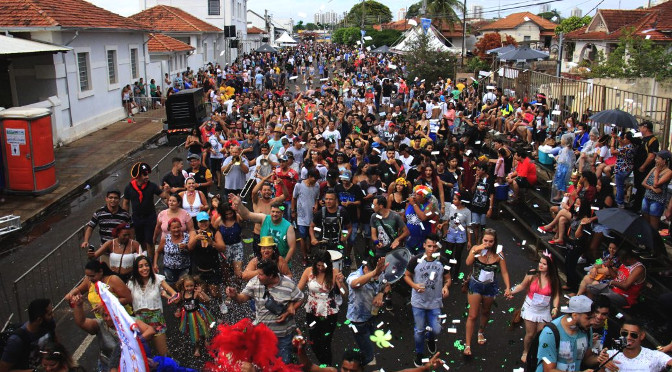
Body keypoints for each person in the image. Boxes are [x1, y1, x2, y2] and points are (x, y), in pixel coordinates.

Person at [226, 259, 305, 364]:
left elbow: (300, 298)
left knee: (283, 365)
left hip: (283, 337)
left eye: (261, 274)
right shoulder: (255, 281)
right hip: (262, 336)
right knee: (263, 365)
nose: (257, 276)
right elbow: (242, 298)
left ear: (271, 275)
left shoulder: (288, 284)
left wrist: (289, 311)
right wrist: (235, 295)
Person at [404, 234, 451, 367]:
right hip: (418, 302)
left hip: (435, 302)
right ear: (424, 245)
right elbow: (406, 276)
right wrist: (414, 285)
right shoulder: (415, 260)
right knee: (419, 330)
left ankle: (430, 338)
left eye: (435, 246)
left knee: (436, 329)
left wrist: (446, 287)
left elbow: (448, 278)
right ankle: (419, 353)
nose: (432, 249)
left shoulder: (443, 261)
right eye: (429, 246)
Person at [463, 228, 511, 356]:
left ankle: (481, 332)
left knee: (485, 311)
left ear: (495, 242)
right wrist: (476, 250)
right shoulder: (476, 249)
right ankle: (467, 344)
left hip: (490, 286)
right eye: (486, 240)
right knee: (472, 315)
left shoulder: (499, 253)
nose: (488, 244)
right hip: (475, 285)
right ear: (481, 239)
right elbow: (468, 262)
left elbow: (504, 271)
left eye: (491, 241)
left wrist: (508, 287)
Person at [507, 254, 561, 363]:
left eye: (544, 264)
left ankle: (538, 352)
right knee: (530, 334)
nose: (540, 265)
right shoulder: (532, 274)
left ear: (550, 266)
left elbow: (556, 295)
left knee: (541, 333)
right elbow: (522, 286)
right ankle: (526, 351)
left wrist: (555, 307)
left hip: (544, 309)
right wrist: (510, 291)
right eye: (540, 262)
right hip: (530, 307)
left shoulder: (554, 279)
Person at [297, 250, 345, 365]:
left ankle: (327, 366)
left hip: (329, 313)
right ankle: (325, 365)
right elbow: (298, 291)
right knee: (314, 341)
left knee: (325, 342)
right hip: (312, 311)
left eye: (322, 265)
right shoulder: (308, 271)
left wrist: (341, 283)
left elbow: (344, 293)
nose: (320, 268)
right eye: (318, 265)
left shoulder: (334, 272)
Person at [126, 256, 177, 357]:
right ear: (136, 269)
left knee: (164, 353)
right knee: (143, 355)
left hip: (156, 319)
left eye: (146, 265)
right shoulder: (131, 283)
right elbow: (124, 298)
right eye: (140, 266)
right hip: (140, 321)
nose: (144, 268)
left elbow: (173, 293)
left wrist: (172, 297)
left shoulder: (158, 279)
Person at [535, 295, 598, 372]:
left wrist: (600, 359)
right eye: (588, 318)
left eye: (593, 317)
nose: (592, 322)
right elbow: (549, 370)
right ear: (574, 315)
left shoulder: (587, 329)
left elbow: (587, 359)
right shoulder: (550, 333)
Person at [346, 257, 389, 366]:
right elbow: (354, 284)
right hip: (358, 321)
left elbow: (386, 284)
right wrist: (375, 272)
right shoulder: (354, 276)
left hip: (372, 316)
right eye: (375, 274)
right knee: (368, 354)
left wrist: (381, 294)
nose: (377, 277)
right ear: (366, 269)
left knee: (369, 339)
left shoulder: (380, 274)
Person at [122, 162, 170, 258]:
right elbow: (126, 202)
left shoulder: (152, 186)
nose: (147, 177)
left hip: (150, 217)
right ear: (138, 176)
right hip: (136, 218)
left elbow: (164, 196)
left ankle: (151, 261)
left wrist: (167, 191)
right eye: (144, 174)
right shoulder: (129, 187)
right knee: (140, 240)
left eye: (147, 174)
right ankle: (144, 258)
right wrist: (125, 218)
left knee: (150, 241)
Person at [233, 194, 296, 262]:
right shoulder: (264, 218)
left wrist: (284, 263)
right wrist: (239, 204)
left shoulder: (288, 226)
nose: (275, 214)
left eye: (278, 212)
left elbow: (292, 247)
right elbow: (247, 215)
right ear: (270, 211)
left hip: (281, 259)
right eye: (273, 211)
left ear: (282, 213)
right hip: (264, 259)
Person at [0, 299, 56, 372]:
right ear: (39, 320)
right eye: (49, 314)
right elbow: (3, 370)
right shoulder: (16, 341)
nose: (53, 315)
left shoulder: (49, 324)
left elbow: (55, 343)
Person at [597, 318, 672, 371]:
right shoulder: (609, 355)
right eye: (625, 333)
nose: (628, 337)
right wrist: (602, 365)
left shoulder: (655, 356)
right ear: (620, 332)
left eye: (633, 335)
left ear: (642, 336)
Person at [65, 261, 132, 318]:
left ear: (101, 272)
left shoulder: (113, 280)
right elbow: (79, 290)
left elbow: (128, 298)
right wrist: (72, 294)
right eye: (87, 276)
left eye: (92, 276)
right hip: (103, 321)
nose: (90, 279)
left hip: (122, 319)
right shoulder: (89, 281)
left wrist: (105, 304)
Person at [81, 190, 131, 260]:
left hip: (121, 252)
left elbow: (130, 230)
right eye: (110, 197)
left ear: (119, 200)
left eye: (115, 198)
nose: (113, 200)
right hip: (105, 252)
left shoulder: (125, 215)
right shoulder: (99, 213)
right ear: (106, 199)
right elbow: (90, 227)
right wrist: (86, 241)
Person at [174, 275, 215, 357]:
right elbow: (179, 303)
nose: (189, 288)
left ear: (194, 285)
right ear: (183, 286)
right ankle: (197, 348)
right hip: (189, 315)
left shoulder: (196, 293)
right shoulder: (182, 293)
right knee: (194, 331)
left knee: (203, 328)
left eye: (191, 286)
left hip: (198, 313)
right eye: (187, 286)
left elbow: (208, 299)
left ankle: (205, 339)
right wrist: (178, 310)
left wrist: (201, 292)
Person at [438, 192, 471, 277]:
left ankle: (456, 274)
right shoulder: (452, 208)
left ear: (461, 201)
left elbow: (468, 227)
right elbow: (449, 220)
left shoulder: (467, 212)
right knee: (448, 253)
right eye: (453, 199)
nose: (453, 201)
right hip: (451, 233)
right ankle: (448, 272)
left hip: (461, 235)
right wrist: (443, 224)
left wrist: (469, 241)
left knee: (458, 255)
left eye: (455, 199)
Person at [153, 218, 194, 286]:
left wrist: (186, 247)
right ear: (169, 229)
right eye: (174, 228)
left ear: (181, 227)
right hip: (169, 268)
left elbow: (191, 250)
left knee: (184, 286)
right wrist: (155, 264)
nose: (176, 229)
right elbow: (158, 252)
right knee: (171, 286)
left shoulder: (187, 237)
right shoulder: (166, 239)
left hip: (184, 268)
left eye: (178, 227)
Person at [292, 169, 321, 264]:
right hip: (301, 216)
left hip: (312, 215)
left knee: (311, 235)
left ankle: (309, 250)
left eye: (317, 179)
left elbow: (317, 198)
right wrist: (293, 211)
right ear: (309, 176)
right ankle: (304, 256)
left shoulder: (317, 186)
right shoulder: (299, 185)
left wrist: (316, 205)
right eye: (314, 178)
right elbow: (294, 198)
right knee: (303, 237)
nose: (315, 180)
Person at [310, 189, 352, 253]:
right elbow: (311, 226)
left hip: (338, 245)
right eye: (326, 199)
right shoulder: (320, 213)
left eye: (331, 199)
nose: (328, 201)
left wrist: (345, 236)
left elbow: (349, 227)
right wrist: (313, 238)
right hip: (323, 245)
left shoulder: (343, 212)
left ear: (336, 200)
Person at [641, 150, 672, 233]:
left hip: (657, 201)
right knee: (645, 223)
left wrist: (657, 171)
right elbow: (644, 182)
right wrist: (652, 189)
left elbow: (656, 184)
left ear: (664, 161)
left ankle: (653, 244)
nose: (656, 160)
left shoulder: (668, 172)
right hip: (647, 197)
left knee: (653, 227)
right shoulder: (654, 168)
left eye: (658, 158)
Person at [633, 120, 660, 212]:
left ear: (645, 128)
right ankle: (636, 206)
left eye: (641, 127)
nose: (640, 129)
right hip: (637, 168)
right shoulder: (643, 139)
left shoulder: (653, 140)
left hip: (644, 170)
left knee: (642, 189)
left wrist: (643, 166)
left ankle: (640, 209)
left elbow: (651, 156)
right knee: (638, 187)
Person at [405, 185, 437, 255]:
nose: (414, 195)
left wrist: (414, 204)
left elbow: (423, 217)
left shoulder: (430, 206)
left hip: (422, 243)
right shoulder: (409, 204)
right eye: (414, 193)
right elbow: (405, 217)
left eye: (417, 194)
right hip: (409, 240)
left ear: (424, 196)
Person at [470, 162, 495, 245]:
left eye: (478, 170)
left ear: (483, 171)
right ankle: (477, 241)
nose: (477, 172)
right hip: (475, 205)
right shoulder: (476, 178)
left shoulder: (490, 180)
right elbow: (472, 191)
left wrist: (490, 208)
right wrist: (476, 182)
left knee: (483, 226)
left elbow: (491, 194)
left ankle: (482, 239)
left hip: (484, 207)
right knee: (476, 224)